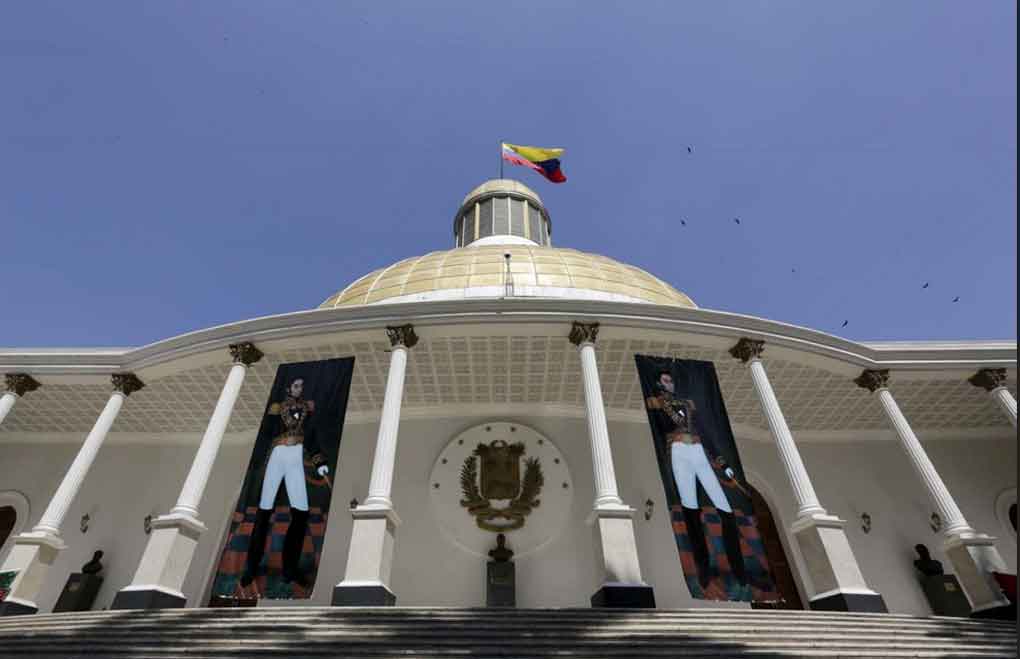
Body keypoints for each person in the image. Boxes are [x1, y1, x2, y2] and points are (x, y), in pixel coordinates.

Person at [646, 369, 747, 588]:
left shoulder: (688, 404)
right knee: (691, 511)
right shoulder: (657, 404)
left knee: (726, 511)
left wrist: (723, 463)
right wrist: (662, 403)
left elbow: (706, 435)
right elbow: (660, 426)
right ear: (659, 384)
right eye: (665, 381)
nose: (669, 383)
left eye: (671, 380)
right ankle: (704, 569)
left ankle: (738, 569)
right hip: (678, 452)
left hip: (699, 451)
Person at [240, 377, 328, 590]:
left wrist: (319, 461)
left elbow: (311, 436)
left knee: (301, 513)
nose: (300, 389)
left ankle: (290, 569)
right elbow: (266, 434)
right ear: (288, 388)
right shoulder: (276, 408)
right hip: (277, 455)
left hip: (296, 455)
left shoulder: (307, 409)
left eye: (302, 385)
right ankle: (251, 567)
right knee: (264, 512)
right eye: (296, 385)